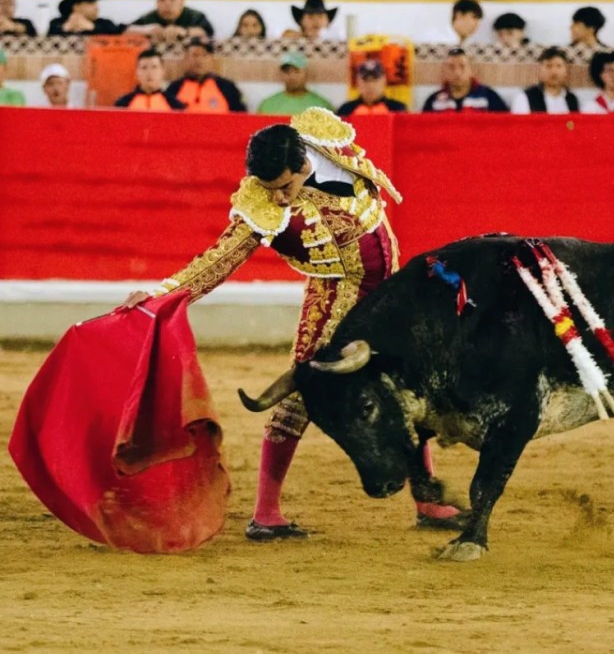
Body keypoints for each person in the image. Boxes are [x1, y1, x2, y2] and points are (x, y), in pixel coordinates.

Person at [122, 108, 464, 540]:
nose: (280, 199)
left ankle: (428, 499)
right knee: (300, 395)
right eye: (271, 190)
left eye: (285, 186)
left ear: (303, 162)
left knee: (406, 388)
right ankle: (266, 513)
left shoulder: (324, 139)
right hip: (336, 299)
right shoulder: (261, 204)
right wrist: (161, 295)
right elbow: (219, 260)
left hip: (388, 295)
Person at [166, 37, 247, 113]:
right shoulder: (174, 88)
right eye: (195, 55)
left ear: (212, 59)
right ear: (186, 59)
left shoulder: (228, 87)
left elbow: (241, 119)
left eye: (204, 55)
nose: (199, 60)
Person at [422, 47, 508, 112]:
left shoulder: (489, 96)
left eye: (462, 67)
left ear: (472, 70)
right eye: (451, 67)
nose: (457, 72)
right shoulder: (434, 100)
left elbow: (506, 126)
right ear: (444, 71)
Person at [125, 0, 214, 43]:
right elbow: (125, 31)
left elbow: (208, 32)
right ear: (156, 2)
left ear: (182, 0)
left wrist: (185, 32)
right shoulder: (149, 18)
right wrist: (146, 30)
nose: (167, 3)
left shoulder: (195, 16)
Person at [257, 50, 333, 115]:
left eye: (296, 71)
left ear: (306, 74)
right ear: (281, 74)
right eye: (287, 72)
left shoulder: (322, 106)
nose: (291, 76)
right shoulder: (267, 105)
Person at [511, 46, 578, 114]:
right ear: (540, 70)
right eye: (549, 66)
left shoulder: (572, 100)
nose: (554, 71)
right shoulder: (524, 98)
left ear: (566, 71)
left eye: (559, 66)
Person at [115, 48, 186, 111]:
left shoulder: (175, 106)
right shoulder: (123, 104)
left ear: (162, 71)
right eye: (144, 68)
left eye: (154, 67)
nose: (149, 73)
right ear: (137, 72)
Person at [336, 58, 407, 115]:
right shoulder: (346, 110)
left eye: (375, 80)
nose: (370, 85)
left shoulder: (397, 109)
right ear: (358, 82)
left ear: (384, 81)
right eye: (366, 80)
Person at [47, 0, 120, 35]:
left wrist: (92, 27)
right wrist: (65, 28)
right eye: (90, 3)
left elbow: (115, 37)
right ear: (76, 7)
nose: (96, 7)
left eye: (96, 3)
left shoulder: (105, 24)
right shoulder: (56, 24)